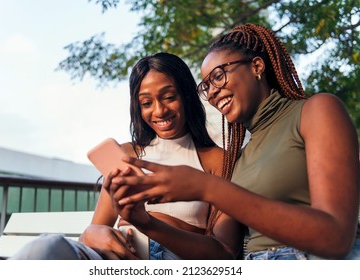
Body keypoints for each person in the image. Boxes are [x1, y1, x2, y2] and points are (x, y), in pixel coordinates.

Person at [107, 23, 360, 260]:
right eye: (206, 86)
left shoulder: (316, 111)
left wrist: (206, 187)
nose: (213, 92)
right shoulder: (238, 159)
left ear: (257, 66)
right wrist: (146, 223)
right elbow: (224, 250)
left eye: (218, 76)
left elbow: (335, 237)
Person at [10, 52, 243, 260]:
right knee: (48, 247)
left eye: (169, 97)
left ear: (187, 96)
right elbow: (93, 230)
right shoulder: (127, 154)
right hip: (112, 256)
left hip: (166, 260)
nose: (159, 111)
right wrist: (95, 234)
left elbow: (224, 254)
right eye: (146, 103)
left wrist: (148, 224)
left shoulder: (218, 162)